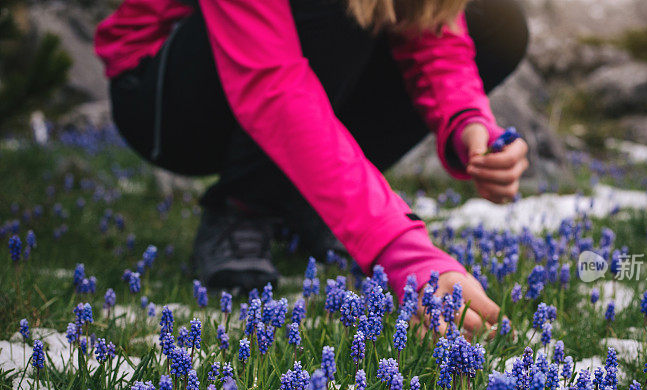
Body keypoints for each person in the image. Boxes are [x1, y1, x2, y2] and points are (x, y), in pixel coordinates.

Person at [95, 0, 529, 335]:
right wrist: (401, 252)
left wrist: (468, 122)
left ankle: (304, 197)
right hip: (164, 88)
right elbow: (273, 87)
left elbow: (429, 26)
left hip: (284, 74)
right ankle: (246, 204)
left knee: (496, 24)